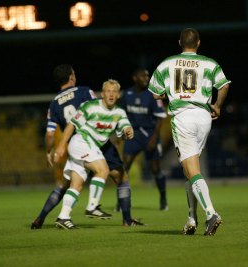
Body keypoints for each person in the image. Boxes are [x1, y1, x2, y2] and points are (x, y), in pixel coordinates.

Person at [31, 66, 141, 229]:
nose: (110, 94)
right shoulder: (84, 93)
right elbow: (93, 110)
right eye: (74, 73)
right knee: (118, 176)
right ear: (71, 77)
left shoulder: (54, 104)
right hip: (89, 140)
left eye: (114, 92)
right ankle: (115, 215)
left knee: (68, 184)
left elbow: (49, 134)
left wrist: (52, 150)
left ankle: (48, 218)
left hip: (74, 142)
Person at [148, 28, 230, 236]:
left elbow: (154, 94)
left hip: (182, 117)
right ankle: (191, 219)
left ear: (179, 42)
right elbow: (224, 85)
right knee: (190, 170)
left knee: (192, 170)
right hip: (203, 117)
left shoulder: (167, 63)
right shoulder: (209, 63)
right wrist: (218, 105)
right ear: (198, 43)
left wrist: (170, 97)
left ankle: (211, 214)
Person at [53, 79, 134, 229]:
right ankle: (92, 206)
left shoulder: (119, 112)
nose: (111, 94)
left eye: (114, 92)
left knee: (76, 185)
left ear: (118, 96)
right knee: (103, 170)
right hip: (81, 142)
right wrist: (61, 145)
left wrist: (128, 132)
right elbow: (71, 125)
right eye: (108, 91)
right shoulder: (90, 106)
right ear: (102, 94)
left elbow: (124, 129)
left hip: (87, 147)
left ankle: (63, 217)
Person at [120, 68, 168, 210]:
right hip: (133, 135)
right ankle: (121, 201)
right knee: (125, 167)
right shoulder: (127, 94)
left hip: (149, 134)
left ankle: (163, 198)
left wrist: (154, 138)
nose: (146, 78)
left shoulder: (153, 95)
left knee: (155, 169)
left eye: (147, 76)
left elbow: (160, 118)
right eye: (142, 76)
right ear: (135, 78)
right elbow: (122, 114)